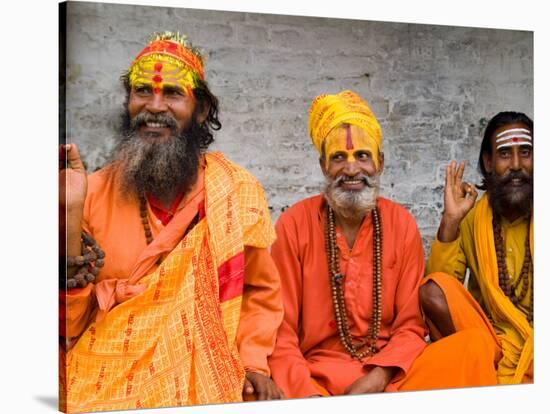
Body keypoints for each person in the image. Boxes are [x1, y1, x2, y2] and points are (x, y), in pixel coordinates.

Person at [59, 31, 284, 412]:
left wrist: (253, 362)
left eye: (173, 94)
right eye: (142, 91)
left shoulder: (234, 190)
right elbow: (68, 326)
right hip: (107, 371)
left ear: (200, 110)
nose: (155, 107)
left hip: (208, 371)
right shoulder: (91, 192)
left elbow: (259, 293)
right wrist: (68, 217)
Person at [268, 90, 498, 398]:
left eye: (362, 155)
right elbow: (280, 332)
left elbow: (411, 326)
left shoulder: (401, 224)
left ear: (380, 162)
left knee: (474, 346)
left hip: (391, 378)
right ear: (324, 165)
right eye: (339, 157)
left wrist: (376, 380)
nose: (351, 169)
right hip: (317, 377)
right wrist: (308, 395)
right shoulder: (293, 224)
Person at [421, 111, 534, 384]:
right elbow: (444, 287)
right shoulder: (473, 217)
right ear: (488, 162)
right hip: (492, 338)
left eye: (526, 153)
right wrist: (451, 221)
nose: (516, 165)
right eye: (505, 154)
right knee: (432, 291)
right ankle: (480, 361)